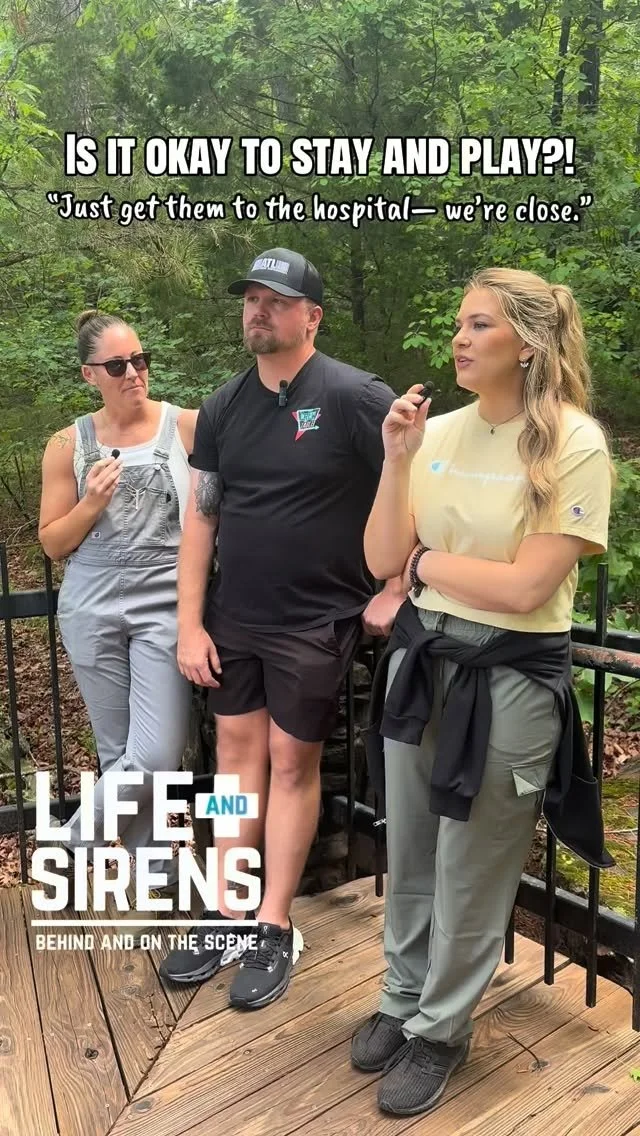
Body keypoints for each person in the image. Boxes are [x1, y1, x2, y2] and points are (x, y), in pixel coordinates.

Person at [351, 267, 614, 1117]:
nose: (459, 340)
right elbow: (380, 558)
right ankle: (401, 999)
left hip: (509, 678)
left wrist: (425, 564)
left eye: (480, 326)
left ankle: (440, 1030)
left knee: (475, 862)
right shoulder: (436, 433)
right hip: (422, 666)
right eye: (460, 325)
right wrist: (396, 459)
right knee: (411, 846)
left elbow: (527, 587)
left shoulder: (573, 444)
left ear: (528, 344)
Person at [159, 247, 405, 1006]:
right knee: (235, 760)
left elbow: (409, 493)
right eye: (250, 299)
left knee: (292, 763)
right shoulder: (222, 407)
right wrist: (190, 624)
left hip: (317, 619)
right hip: (236, 616)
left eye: (275, 300)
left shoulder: (357, 397)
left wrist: (396, 584)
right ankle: (229, 908)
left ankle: (273, 922)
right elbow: (202, 521)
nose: (258, 311)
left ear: (312, 316)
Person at [38, 310, 198, 937]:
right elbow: (54, 542)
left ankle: (72, 843)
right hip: (92, 601)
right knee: (118, 754)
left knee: (155, 752)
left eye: (140, 359)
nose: (133, 373)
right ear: (90, 375)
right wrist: (92, 502)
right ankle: (160, 879)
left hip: (166, 601)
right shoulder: (67, 444)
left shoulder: (184, 426)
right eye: (116, 365)